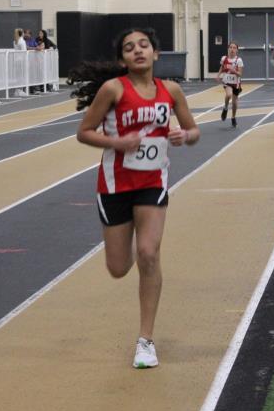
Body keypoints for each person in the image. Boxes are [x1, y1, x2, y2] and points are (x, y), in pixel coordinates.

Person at [71, 27, 200, 369]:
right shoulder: (113, 89)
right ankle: (128, 241)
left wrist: (183, 135)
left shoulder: (171, 90)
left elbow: (194, 131)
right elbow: (84, 132)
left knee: (149, 254)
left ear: (156, 54)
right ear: (122, 60)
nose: (138, 51)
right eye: (129, 48)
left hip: (152, 182)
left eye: (144, 45)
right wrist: (116, 142)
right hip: (115, 185)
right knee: (118, 268)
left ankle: (146, 341)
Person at [216, 41, 243, 128]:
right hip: (227, 82)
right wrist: (218, 75)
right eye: (230, 47)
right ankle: (225, 108)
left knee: (234, 103)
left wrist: (234, 71)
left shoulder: (238, 60)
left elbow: (240, 74)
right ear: (228, 49)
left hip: (236, 83)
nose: (232, 49)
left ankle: (233, 117)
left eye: (234, 48)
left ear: (237, 50)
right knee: (228, 94)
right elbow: (221, 67)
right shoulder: (224, 59)